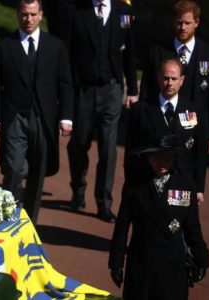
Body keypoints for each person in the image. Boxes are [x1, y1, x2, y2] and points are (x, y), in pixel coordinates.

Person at [0, 0, 74, 223]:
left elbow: (65, 84)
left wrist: (66, 117)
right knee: (14, 170)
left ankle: (30, 222)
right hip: (14, 116)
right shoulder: (3, 46)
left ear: (41, 15)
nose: (29, 19)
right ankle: (7, 217)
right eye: (25, 14)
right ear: (17, 15)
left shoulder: (56, 47)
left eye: (33, 15)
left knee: (37, 173)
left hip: (44, 119)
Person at [109, 135, 209, 300]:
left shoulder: (185, 185)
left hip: (173, 263)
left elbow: (192, 227)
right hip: (142, 261)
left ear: (174, 158)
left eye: (167, 157)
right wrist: (116, 263)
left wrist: (201, 259)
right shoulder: (135, 185)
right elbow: (122, 225)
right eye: (157, 157)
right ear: (149, 158)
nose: (162, 162)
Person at [67, 0, 138, 222]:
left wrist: (133, 90)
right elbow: (70, 54)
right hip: (85, 90)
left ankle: (104, 203)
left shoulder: (123, 11)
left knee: (108, 148)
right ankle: (78, 191)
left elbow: (130, 51)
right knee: (79, 143)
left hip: (112, 89)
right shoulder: (79, 11)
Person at [140, 0, 209, 155]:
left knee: (195, 177)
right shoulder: (157, 53)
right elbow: (147, 90)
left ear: (196, 22)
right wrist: (144, 124)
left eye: (187, 22)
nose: (182, 27)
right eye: (179, 22)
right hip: (164, 126)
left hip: (198, 130)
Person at [126, 59, 207, 202]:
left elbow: (200, 152)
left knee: (180, 223)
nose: (169, 83)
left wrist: (199, 188)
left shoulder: (195, 110)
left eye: (174, 79)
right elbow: (131, 150)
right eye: (165, 78)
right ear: (158, 78)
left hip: (181, 187)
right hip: (147, 183)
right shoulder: (141, 110)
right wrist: (130, 182)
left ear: (181, 80)